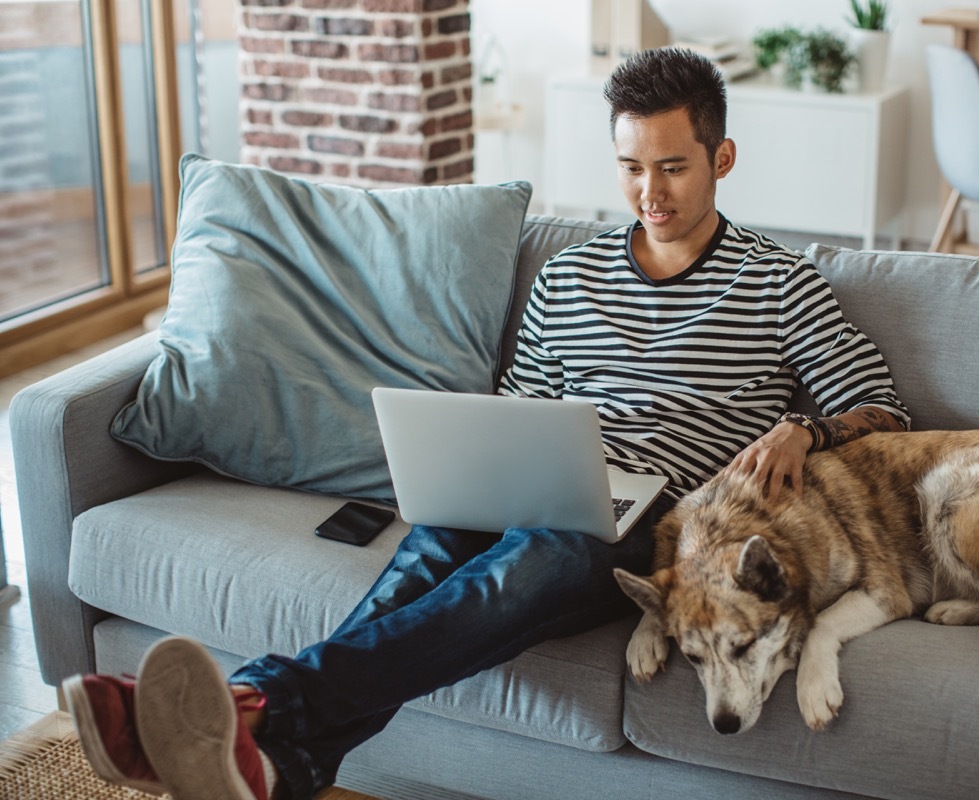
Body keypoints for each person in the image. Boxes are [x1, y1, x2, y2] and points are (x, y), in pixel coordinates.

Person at [64, 47, 909, 800]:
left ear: (722, 157)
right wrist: (485, 457)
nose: (650, 193)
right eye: (630, 167)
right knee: (422, 560)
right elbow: (520, 408)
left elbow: (885, 410)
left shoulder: (779, 282)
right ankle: (282, 764)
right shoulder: (570, 276)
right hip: (545, 480)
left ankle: (255, 702)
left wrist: (805, 429)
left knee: (522, 565)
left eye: (675, 167)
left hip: (661, 522)